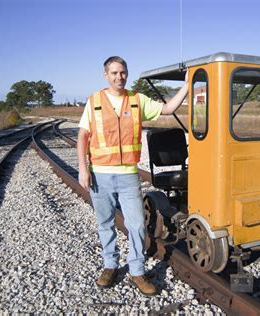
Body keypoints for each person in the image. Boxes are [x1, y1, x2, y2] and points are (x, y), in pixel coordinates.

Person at [77, 56, 188, 296]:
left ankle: (137, 271)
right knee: (105, 224)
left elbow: (168, 109)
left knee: (136, 225)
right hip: (100, 176)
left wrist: (187, 86)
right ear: (106, 75)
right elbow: (83, 136)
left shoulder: (137, 100)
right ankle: (110, 266)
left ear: (126, 74)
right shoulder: (94, 102)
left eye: (123, 73)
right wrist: (83, 169)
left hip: (128, 176)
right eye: (114, 73)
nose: (119, 77)